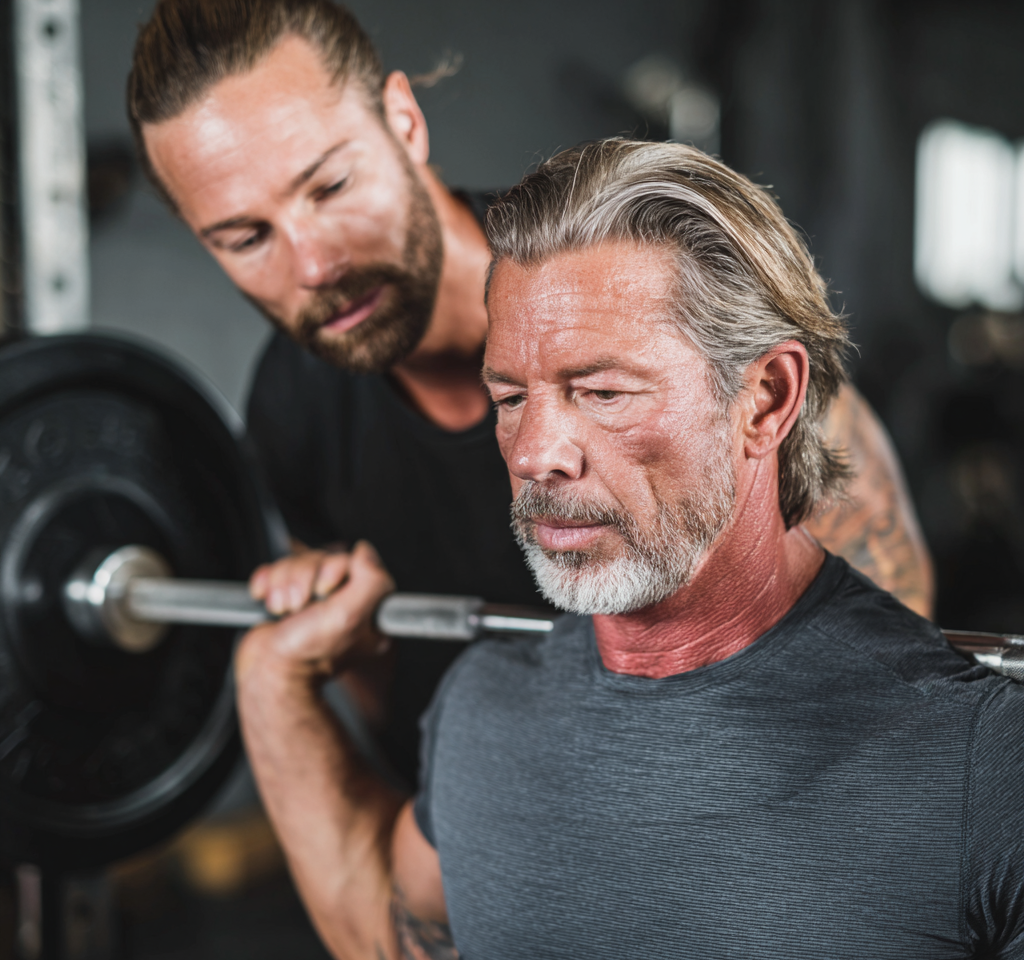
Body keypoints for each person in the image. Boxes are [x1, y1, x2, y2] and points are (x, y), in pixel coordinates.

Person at [233, 140, 1024, 960]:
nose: (534, 454)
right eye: (510, 398)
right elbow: (409, 950)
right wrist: (272, 682)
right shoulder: (482, 706)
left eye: (602, 392)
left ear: (766, 398)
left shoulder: (982, 756)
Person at [128, 0, 934, 789]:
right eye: (247, 237)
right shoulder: (292, 407)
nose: (312, 266)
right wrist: (343, 636)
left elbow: (881, 617)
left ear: (403, 122)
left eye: (331, 186)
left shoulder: (616, 286)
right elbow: (396, 719)